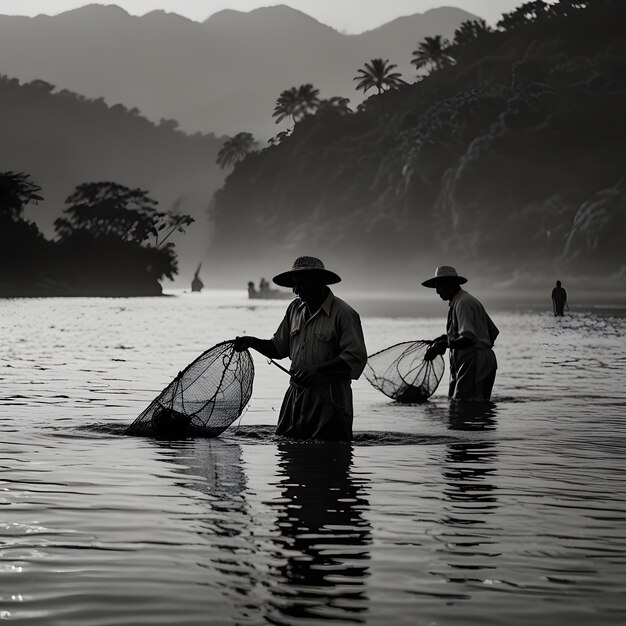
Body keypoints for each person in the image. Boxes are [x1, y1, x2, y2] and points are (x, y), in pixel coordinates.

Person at [234, 256, 367, 441]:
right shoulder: (294, 310)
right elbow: (279, 348)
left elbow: (355, 358)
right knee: (288, 450)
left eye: (301, 284)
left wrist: (317, 369)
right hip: (296, 395)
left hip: (330, 397)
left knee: (330, 451)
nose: (296, 291)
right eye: (293, 286)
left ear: (317, 282)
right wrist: (253, 342)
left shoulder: (344, 314)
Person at [423, 266, 499, 401]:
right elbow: (492, 332)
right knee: (469, 405)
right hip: (476, 360)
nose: (437, 291)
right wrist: (446, 338)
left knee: (463, 405)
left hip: (474, 361)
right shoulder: (463, 301)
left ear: (450, 284)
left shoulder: (463, 303)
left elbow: (469, 338)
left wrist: (444, 344)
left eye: (439, 286)